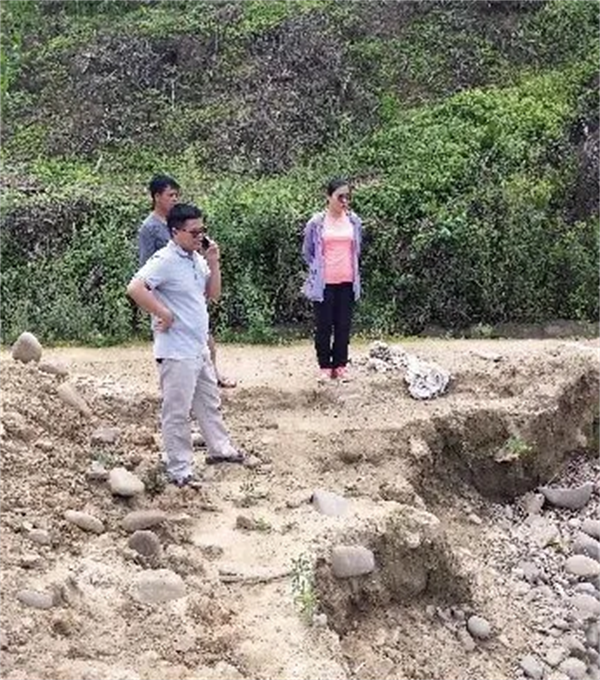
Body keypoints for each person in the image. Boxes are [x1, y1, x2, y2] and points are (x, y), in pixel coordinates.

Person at [127, 203, 246, 487]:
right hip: (176, 350)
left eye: (202, 231)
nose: (199, 236)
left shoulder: (196, 259)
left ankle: (219, 448)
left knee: (208, 401)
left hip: (198, 346)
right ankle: (179, 468)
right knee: (177, 410)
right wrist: (163, 313)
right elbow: (135, 288)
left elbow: (212, 295)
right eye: (193, 232)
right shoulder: (165, 260)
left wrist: (213, 262)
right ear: (175, 232)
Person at [137, 174, 237, 388]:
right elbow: (144, 269)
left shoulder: (186, 222)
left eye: (176, 195)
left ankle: (210, 375)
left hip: (189, 286)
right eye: (170, 195)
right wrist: (159, 308)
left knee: (203, 336)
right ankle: (173, 383)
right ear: (156, 197)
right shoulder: (150, 228)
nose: (174, 199)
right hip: (165, 291)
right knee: (171, 341)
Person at [301, 178, 363, 382]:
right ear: (328, 197)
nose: (344, 201)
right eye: (340, 197)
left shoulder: (354, 221)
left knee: (343, 325)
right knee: (324, 325)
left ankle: (340, 365)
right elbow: (308, 251)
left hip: (347, 280)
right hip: (324, 282)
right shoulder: (316, 223)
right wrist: (318, 269)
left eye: (347, 197)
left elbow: (357, 248)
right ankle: (325, 366)